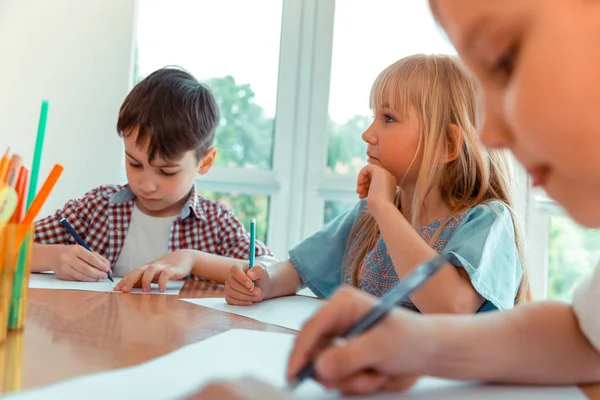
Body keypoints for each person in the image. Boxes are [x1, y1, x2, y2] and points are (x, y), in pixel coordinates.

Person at [225, 54, 528, 314]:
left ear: (446, 144)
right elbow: (293, 273)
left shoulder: (487, 221)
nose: (368, 134)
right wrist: (263, 281)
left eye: (389, 118)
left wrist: (383, 209)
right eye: (374, 117)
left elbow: (451, 307)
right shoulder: (367, 217)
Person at [32, 67, 275, 291]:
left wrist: (195, 261)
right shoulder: (96, 208)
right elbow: (7, 245)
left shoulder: (216, 224)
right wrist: (53, 257)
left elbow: (271, 272)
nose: (146, 185)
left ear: (206, 161)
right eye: (134, 163)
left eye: (167, 171)